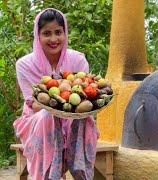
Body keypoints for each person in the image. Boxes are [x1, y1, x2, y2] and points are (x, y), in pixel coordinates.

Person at [14, 8, 99, 180]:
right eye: (47, 33)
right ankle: (48, 176)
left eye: (58, 32)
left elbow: (84, 101)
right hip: (37, 120)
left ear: (65, 32)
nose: (53, 39)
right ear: (38, 36)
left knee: (82, 118)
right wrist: (55, 110)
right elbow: (35, 105)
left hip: (74, 117)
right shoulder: (25, 65)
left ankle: (81, 173)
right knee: (47, 116)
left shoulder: (78, 60)